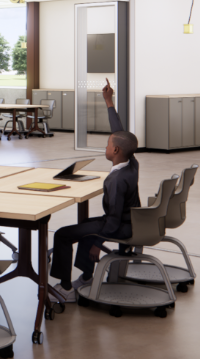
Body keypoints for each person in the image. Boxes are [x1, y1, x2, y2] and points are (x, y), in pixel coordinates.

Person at [52, 80, 138, 291]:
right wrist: (109, 101)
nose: (105, 147)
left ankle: (65, 288)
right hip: (131, 221)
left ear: (116, 150)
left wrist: (98, 243)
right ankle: (86, 277)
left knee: (62, 235)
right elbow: (119, 133)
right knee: (86, 225)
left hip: (120, 225)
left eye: (108, 144)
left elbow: (113, 219)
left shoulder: (116, 180)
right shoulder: (132, 163)